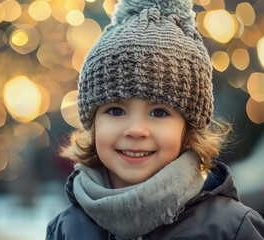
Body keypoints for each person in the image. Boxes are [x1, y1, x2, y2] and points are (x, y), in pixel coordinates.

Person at [46, 0, 264, 239]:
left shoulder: (231, 228)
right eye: (116, 111)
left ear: (188, 129)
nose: (136, 130)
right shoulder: (66, 228)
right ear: (93, 123)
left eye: (159, 112)